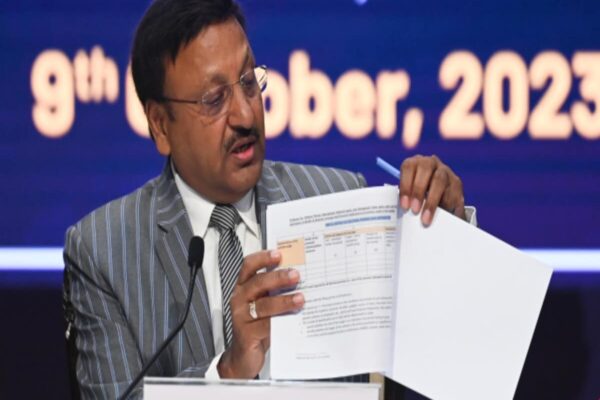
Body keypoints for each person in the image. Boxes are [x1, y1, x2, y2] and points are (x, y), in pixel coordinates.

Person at [62, 0, 474, 398]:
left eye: (248, 82)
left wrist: (446, 238)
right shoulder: (104, 251)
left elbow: (437, 364)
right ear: (160, 125)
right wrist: (227, 373)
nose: (245, 115)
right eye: (214, 99)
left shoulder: (340, 199)